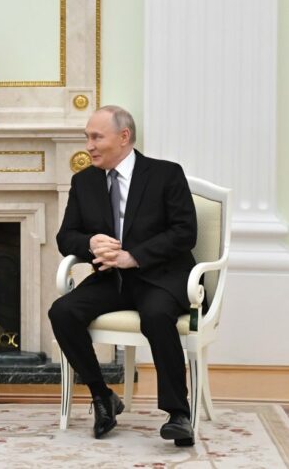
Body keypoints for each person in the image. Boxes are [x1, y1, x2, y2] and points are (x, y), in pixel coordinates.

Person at [49, 105, 197, 446]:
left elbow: (185, 232)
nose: (89, 146)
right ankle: (103, 396)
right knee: (63, 312)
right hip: (111, 280)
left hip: (160, 276)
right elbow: (65, 237)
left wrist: (135, 256)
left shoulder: (166, 174)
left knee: (156, 315)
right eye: (87, 137)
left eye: (96, 137)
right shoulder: (84, 181)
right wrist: (90, 242)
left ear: (124, 137)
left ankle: (178, 414)